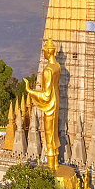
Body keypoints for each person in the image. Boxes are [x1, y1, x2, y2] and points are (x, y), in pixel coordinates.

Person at [24, 39, 61, 171]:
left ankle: (51, 169)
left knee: (49, 136)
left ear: (48, 52)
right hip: (56, 102)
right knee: (54, 134)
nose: (43, 53)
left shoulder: (48, 71)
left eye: (44, 51)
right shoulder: (57, 66)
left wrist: (30, 91)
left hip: (50, 105)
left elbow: (45, 95)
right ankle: (55, 164)